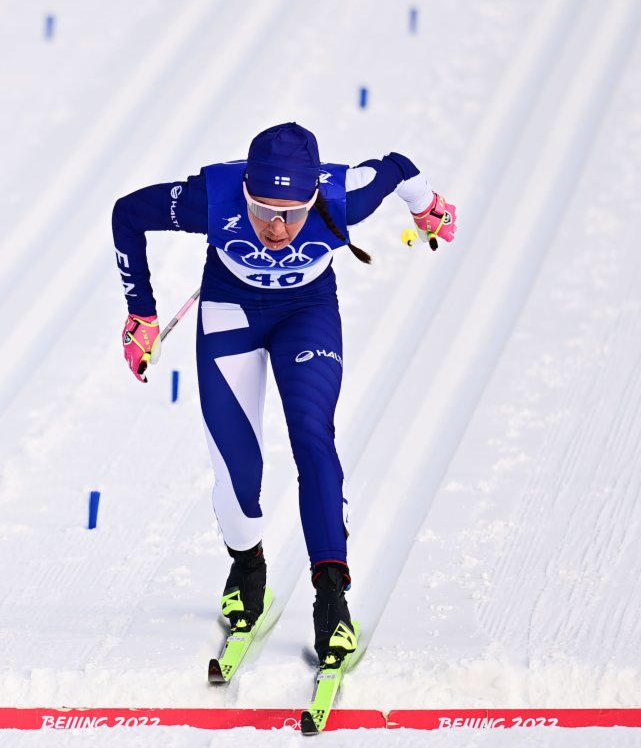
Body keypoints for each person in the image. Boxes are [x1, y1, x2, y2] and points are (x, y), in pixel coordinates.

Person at [111, 123, 457, 665]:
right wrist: (142, 312)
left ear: (315, 196)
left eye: (293, 213)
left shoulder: (347, 198)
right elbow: (127, 214)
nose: (277, 227)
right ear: (244, 192)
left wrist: (427, 204)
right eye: (262, 210)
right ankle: (247, 567)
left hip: (306, 315)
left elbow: (397, 166)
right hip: (231, 314)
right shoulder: (209, 201)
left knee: (312, 437)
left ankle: (331, 600)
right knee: (235, 464)